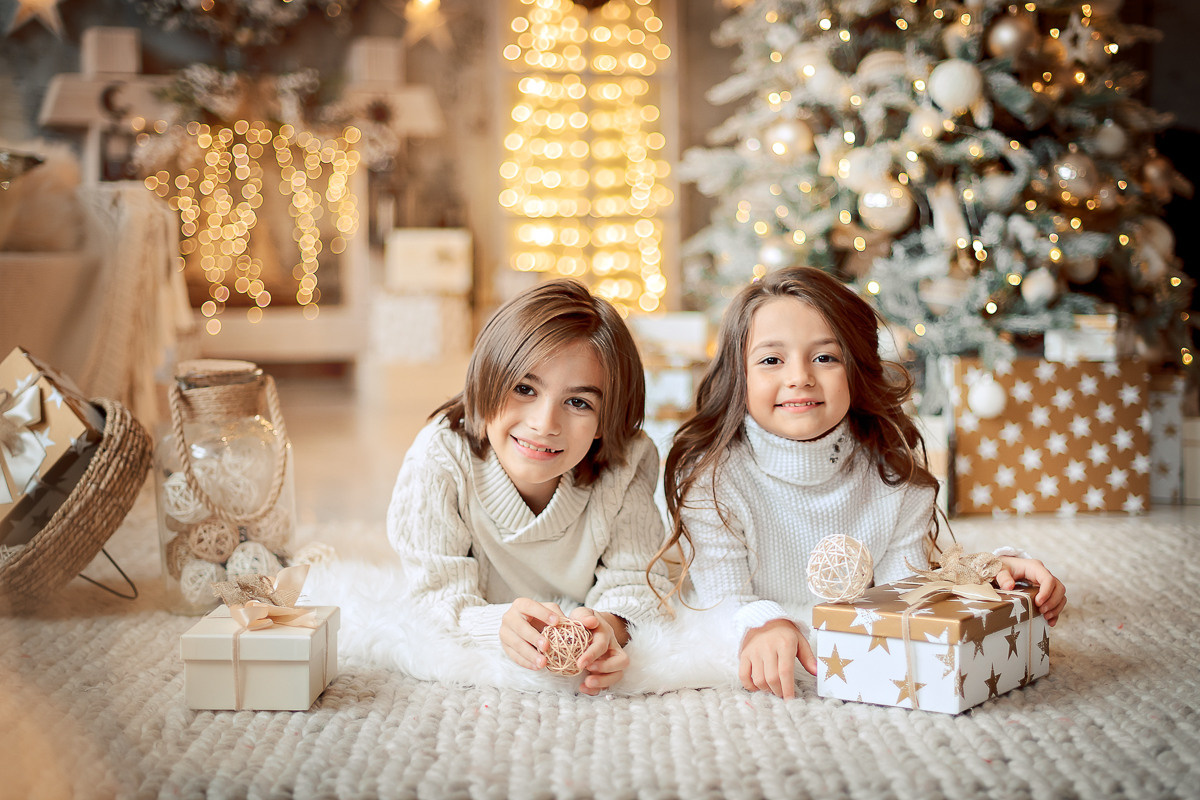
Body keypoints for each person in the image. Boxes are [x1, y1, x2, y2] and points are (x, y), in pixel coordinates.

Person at [653, 266, 1067, 700]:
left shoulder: (893, 476)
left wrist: (986, 576)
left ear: (856, 369)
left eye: (825, 357)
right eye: (771, 359)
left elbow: (907, 597)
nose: (799, 377)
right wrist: (762, 623)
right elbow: (721, 601)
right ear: (739, 377)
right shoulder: (711, 479)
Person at [387, 279, 673, 695]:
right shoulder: (440, 458)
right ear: (486, 383)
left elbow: (640, 581)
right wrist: (492, 626)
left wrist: (608, 627)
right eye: (524, 389)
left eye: (578, 402)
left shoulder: (624, 463)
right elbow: (433, 595)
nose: (544, 423)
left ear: (606, 419)